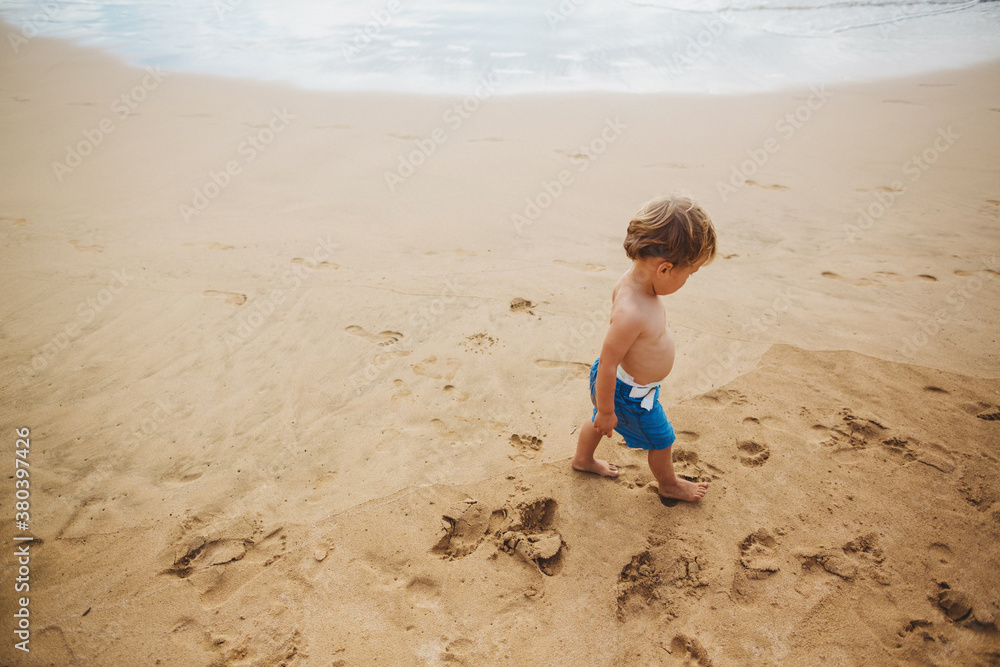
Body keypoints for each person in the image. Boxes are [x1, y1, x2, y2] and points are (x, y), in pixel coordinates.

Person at [571, 195, 717, 504]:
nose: (689, 279)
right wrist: (609, 411)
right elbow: (608, 363)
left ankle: (583, 459)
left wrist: (605, 411)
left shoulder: (635, 282)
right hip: (628, 394)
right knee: (662, 439)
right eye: (690, 273)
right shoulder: (632, 311)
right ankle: (669, 485)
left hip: (621, 384)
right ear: (664, 269)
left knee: (597, 420)